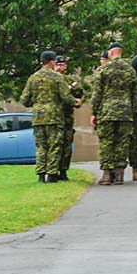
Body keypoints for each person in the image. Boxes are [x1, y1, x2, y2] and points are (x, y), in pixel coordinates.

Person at [19, 50, 73, 184]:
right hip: (54, 116)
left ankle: (41, 176)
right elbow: (65, 97)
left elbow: (24, 100)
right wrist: (76, 102)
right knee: (54, 146)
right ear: (52, 61)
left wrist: (36, 102)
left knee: (41, 147)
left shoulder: (33, 77)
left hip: (38, 116)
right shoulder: (57, 77)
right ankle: (52, 175)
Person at [92, 43, 137, 185]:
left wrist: (94, 112)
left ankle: (107, 175)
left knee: (107, 143)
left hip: (107, 111)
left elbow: (97, 94)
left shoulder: (103, 69)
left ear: (111, 53)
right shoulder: (130, 70)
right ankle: (119, 175)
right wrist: (132, 110)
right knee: (122, 143)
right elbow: (135, 93)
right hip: (125, 112)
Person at [53, 53, 85, 182]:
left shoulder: (68, 79)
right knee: (55, 145)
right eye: (58, 64)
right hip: (55, 116)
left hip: (66, 117)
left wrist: (75, 86)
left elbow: (79, 93)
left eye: (62, 64)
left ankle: (63, 171)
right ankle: (53, 171)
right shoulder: (52, 79)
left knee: (66, 146)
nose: (60, 67)